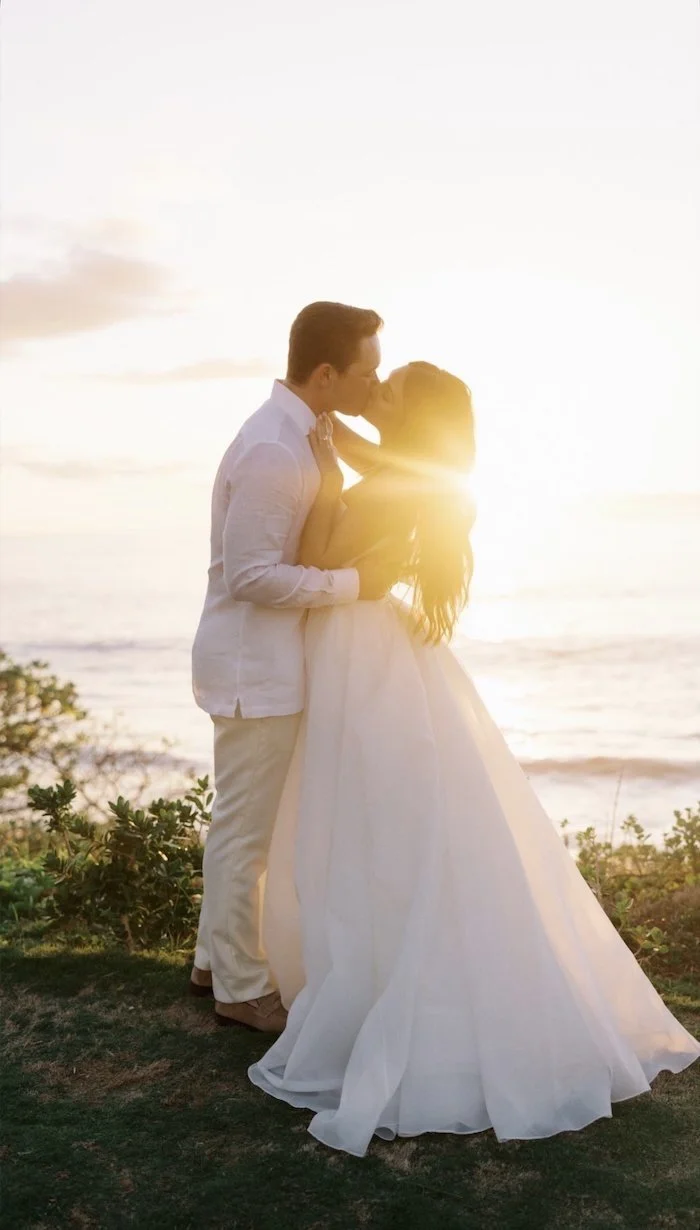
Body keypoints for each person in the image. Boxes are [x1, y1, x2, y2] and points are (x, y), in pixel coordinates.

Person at [248, 362, 700, 1156]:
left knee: (376, 834)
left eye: (388, 393)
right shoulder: (414, 476)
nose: (374, 393)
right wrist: (334, 437)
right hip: (371, 650)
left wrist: (322, 458)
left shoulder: (392, 483)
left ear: (409, 417)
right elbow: (369, 462)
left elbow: (319, 550)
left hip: (360, 652)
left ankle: (397, 998)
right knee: (403, 831)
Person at [190, 302, 402, 1032]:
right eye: (366, 372)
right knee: (244, 833)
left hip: (274, 663)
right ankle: (241, 990)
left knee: (248, 824)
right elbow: (249, 575)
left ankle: (212, 961)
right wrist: (353, 587)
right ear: (325, 373)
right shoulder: (276, 450)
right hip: (256, 667)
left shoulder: (303, 432)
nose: (373, 385)